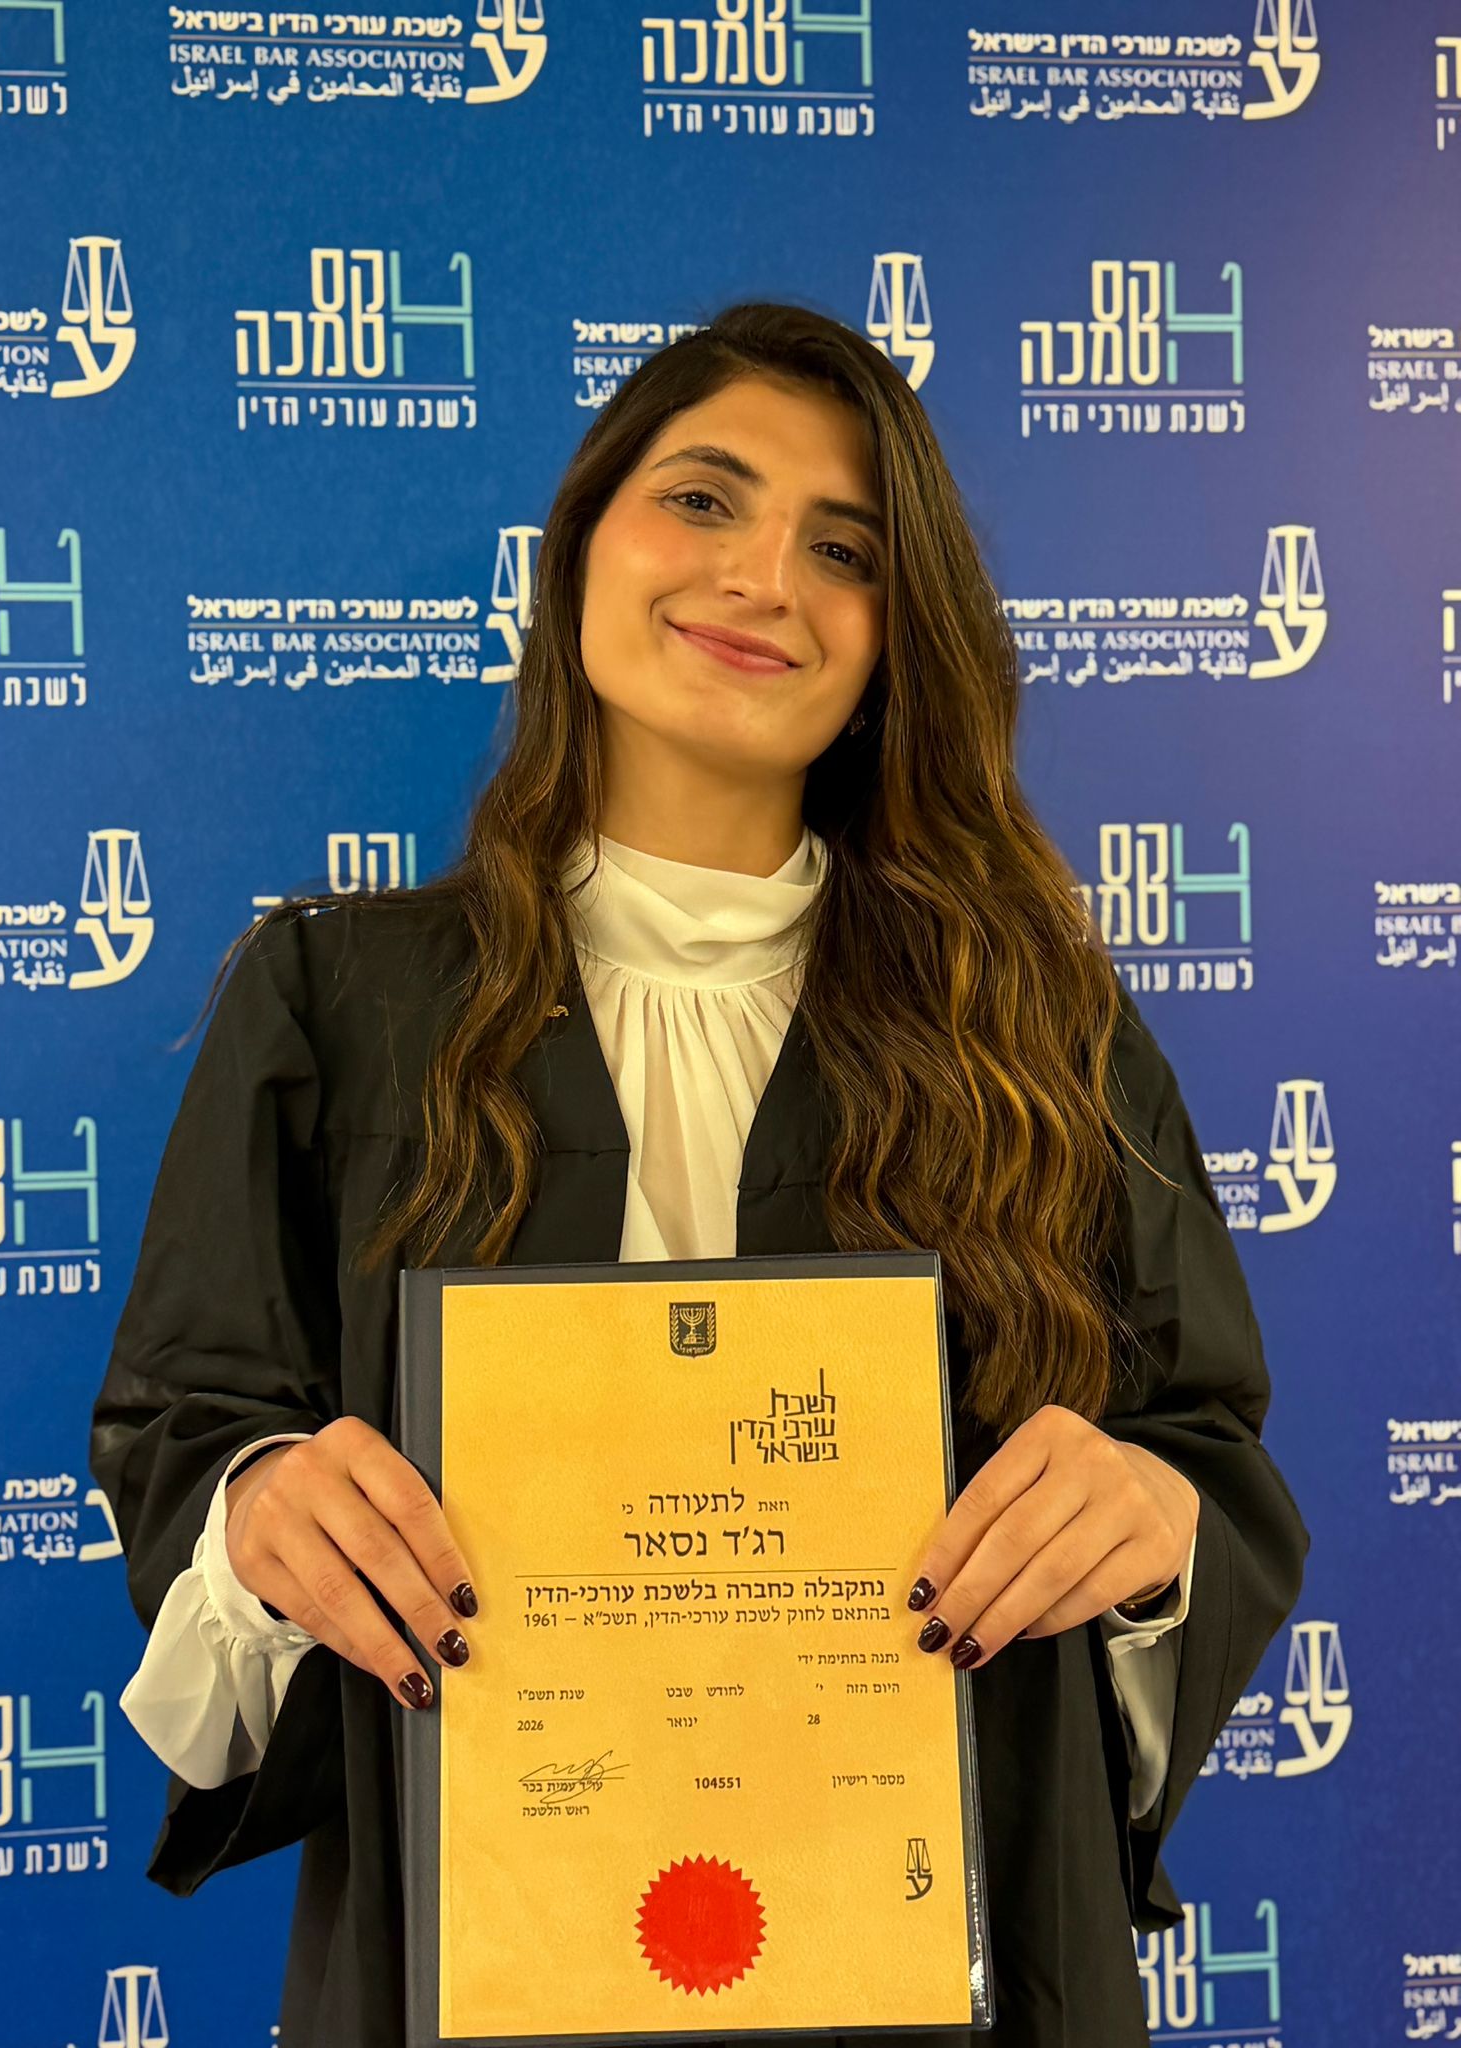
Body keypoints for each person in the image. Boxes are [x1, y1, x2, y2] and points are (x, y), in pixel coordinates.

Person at [89, 300, 1309, 2048]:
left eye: (845, 550)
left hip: (949, 1963)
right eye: (704, 499)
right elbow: (191, 1425)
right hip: (479, 1947)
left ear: (896, 639)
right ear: (584, 541)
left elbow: (1204, 1454)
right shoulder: (338, 1005)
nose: (761, 578)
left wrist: (1147, 1522)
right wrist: (265, 1506)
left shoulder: (1039, 1032)